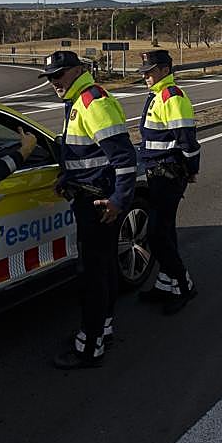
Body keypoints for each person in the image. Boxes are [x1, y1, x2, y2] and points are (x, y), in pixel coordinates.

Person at [39, 50, 138, 370]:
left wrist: (118, 201)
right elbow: (88, 155)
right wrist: (67, 176)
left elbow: (124, 160)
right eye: (51, 77)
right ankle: (103, 329)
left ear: (79, 70)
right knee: (105, 268)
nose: (54, 82)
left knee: (92, 276)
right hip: (91, 196)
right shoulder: (78, 100)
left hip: (98, 204)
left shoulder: (91, 102)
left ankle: (91, 346)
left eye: (60, 74)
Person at [135, 49, 199, 314]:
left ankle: (183, 285)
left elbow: (187, 139)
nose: (146, 76)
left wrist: (191, 168)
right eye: (144, 72)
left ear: (164, 70)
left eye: (150, 71)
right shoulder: (157, 96)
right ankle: (165, 283)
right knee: (166, 232)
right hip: (156, 171)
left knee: (157, 235)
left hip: (169, 174)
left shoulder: (171, 97)